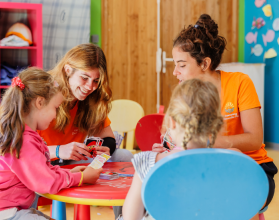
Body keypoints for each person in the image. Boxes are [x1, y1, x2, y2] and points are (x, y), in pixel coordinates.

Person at [152, 14, 277, 220]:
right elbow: (178, 135)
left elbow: (255, 139)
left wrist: (211, 143)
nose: (175, 72)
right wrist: (169, 146)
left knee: (230, 194)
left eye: (181, 65)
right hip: (205, 167)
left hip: (252, 167)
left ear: (204, 63)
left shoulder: (239, 82)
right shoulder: (185, 92)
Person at [0, 68, 102, 220]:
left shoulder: (21, 134)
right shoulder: (23, 141)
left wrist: (72, 174)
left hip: (2, 211)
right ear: (39, 102)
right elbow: (45, 182)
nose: (56, 115)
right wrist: (82, 178)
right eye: (55, 108)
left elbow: (44, 172)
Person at [37, 43, 133, 218]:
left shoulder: (92, 99)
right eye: (85, 77)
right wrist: (59, 151)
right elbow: (21, 152)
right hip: (42, 164)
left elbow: (108, 138)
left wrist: (105, 149)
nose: (90, 86)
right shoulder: (43, 93)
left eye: (96, 80)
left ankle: (125, 216)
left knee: (125, 157)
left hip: (72, 164)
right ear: (67, 70)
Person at [119, 79, 224, 220]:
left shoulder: (148, 163)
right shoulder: (233, 161)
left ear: (172, 122)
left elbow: (130, 218)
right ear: (214, 124)